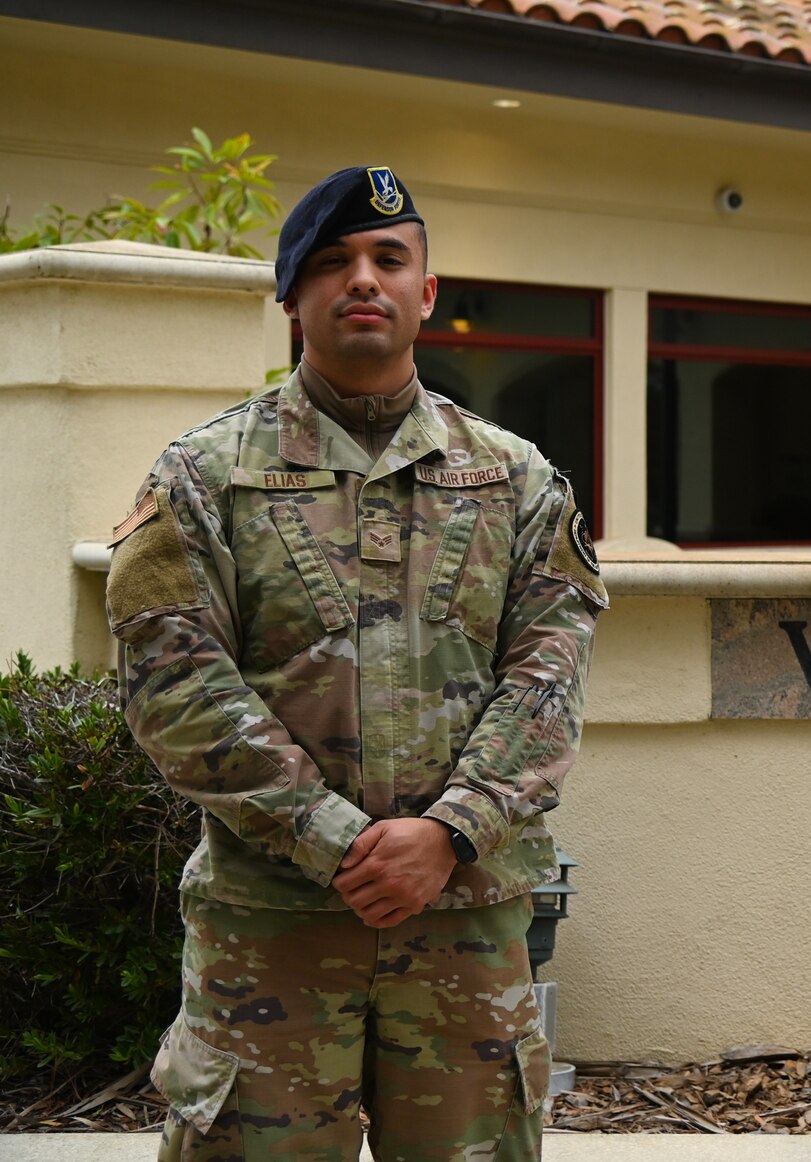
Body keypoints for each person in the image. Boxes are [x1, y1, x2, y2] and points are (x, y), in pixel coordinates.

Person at [105, 164, 607, 1162]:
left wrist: (447, 833)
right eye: (332, 263)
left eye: (389, 259)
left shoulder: (515, 480)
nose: (363, 279)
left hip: (462, 921)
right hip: (274, 928)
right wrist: (332, 836)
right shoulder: (204, 478)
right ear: (291, 297)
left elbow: (547, 682)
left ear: (427, 293)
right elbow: (174, 682)